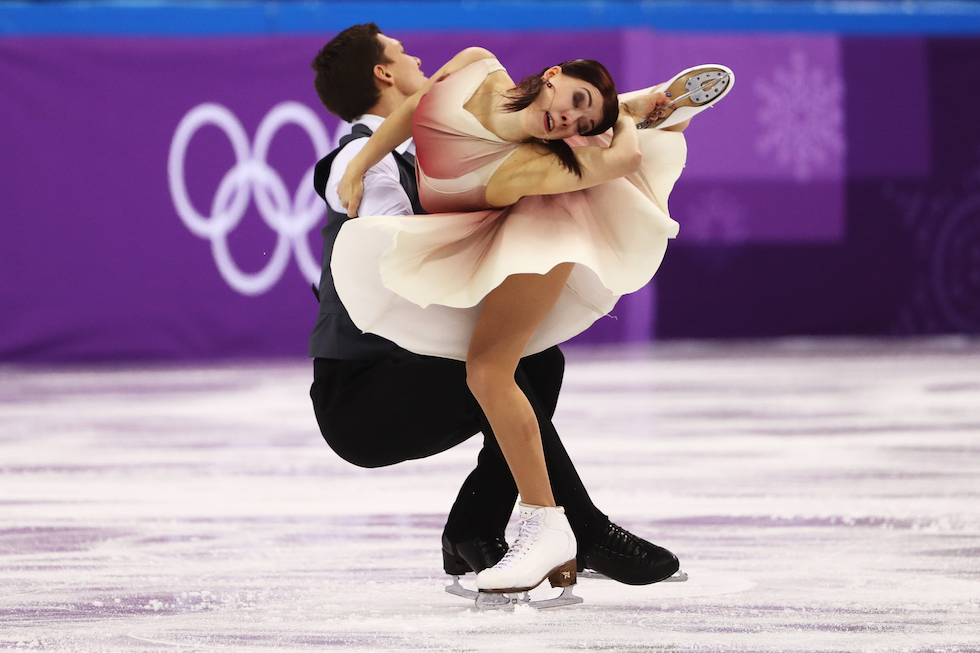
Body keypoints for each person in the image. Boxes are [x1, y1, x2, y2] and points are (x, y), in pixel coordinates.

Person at [332, 35, 732, 595]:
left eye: (577, 118)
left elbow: (624, 161)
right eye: (571, 100)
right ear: (551, 74)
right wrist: (361, 166)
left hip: (537, 234)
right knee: (521, 369)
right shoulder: (474, 65)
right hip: (472, 229)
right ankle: (642, 106)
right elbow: (413, 109)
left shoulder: (530, 167)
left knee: (490, 371)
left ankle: (549, 525)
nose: (564, 118)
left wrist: (616, 126)